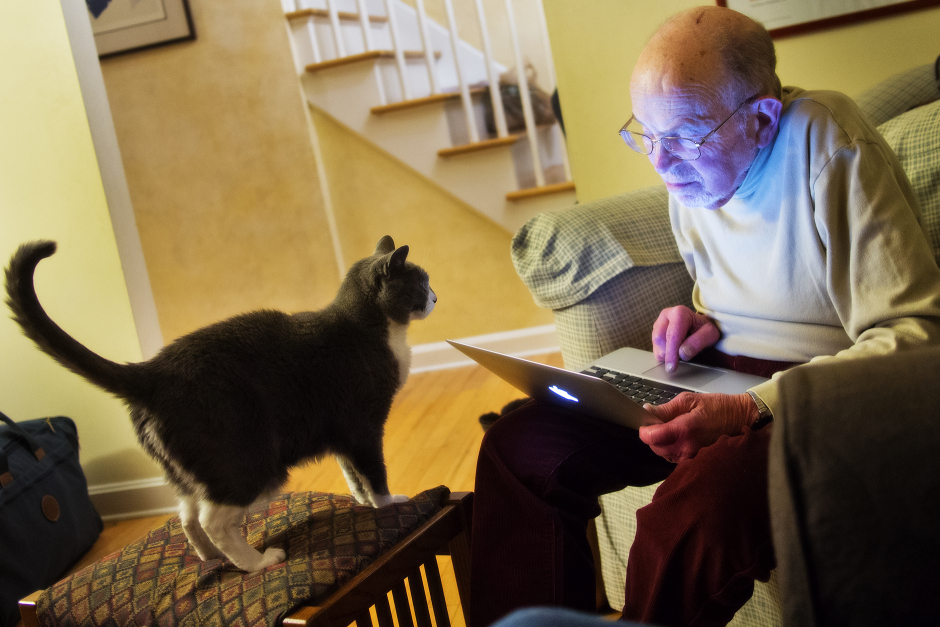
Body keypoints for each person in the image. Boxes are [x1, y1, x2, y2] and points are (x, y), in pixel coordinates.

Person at [469, 6, 940, 627]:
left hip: (817, 395)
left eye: (685, 137)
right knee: (520, 448)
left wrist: (748, 408)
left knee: (688, 518)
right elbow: (739, 287)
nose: (661, 164)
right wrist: (698, 318)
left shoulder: (826, 139)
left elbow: (916, 336)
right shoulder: (690, 174)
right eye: (647, 135)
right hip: (717, 375)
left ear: (761, 120)